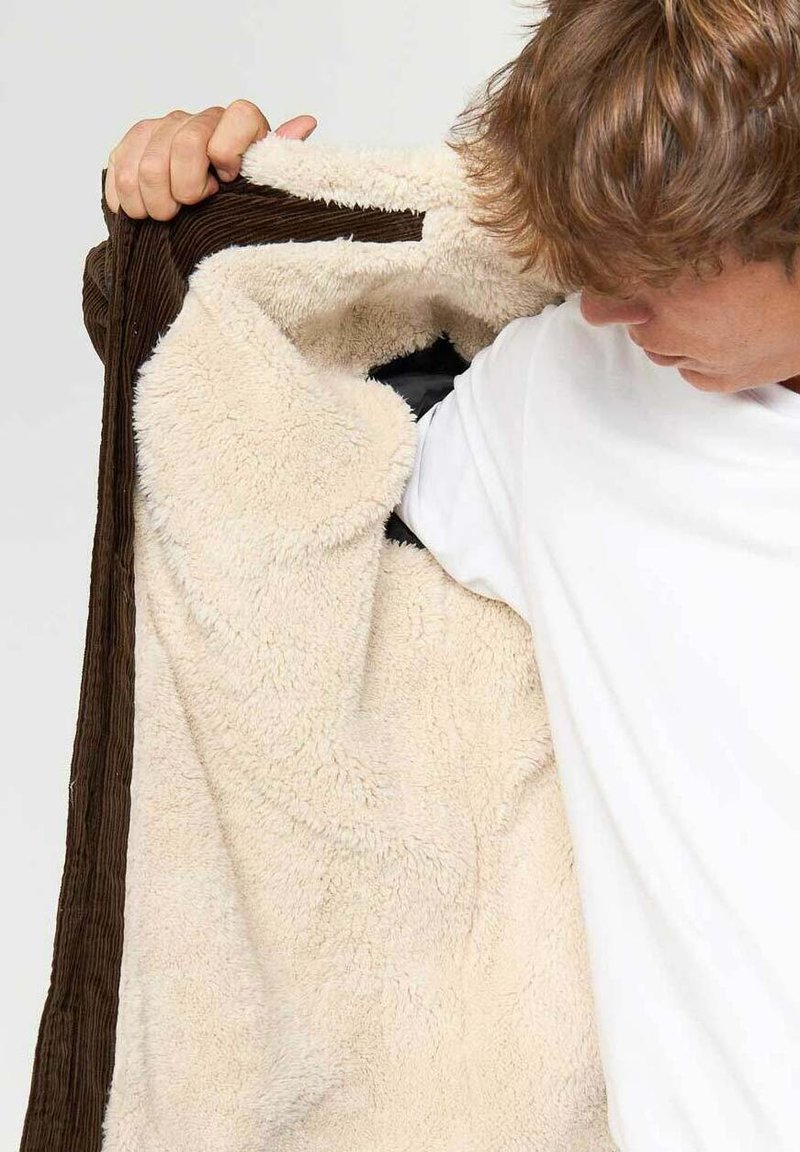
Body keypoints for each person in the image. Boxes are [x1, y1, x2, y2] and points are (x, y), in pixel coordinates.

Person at [103, 3, 800, 1149]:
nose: (609, 306)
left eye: (664, 270)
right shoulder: (568, 391)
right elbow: (255, 435)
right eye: (593, 265)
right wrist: (217, 212)